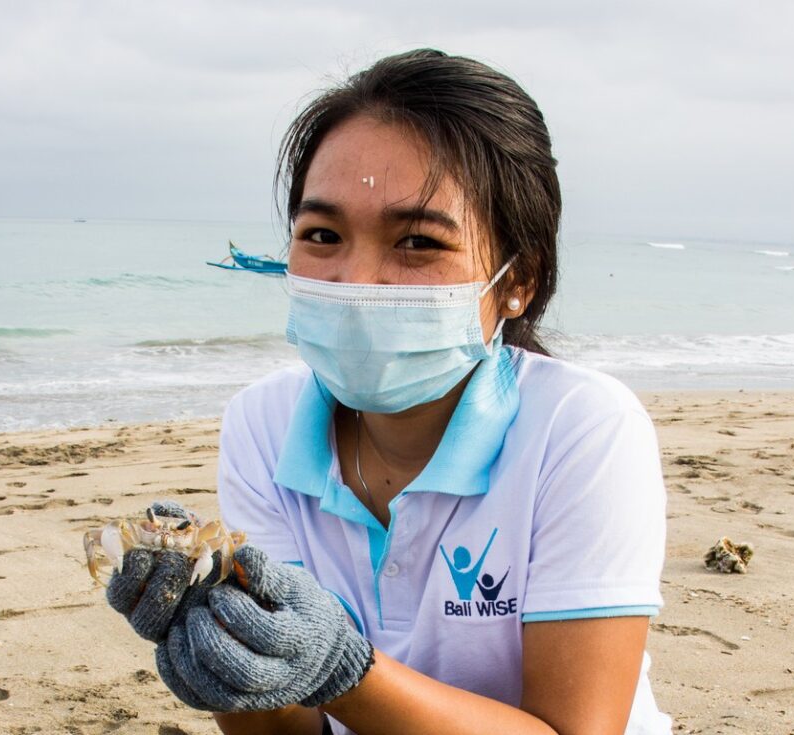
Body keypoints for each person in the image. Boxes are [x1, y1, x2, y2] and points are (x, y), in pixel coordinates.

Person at [105, 49, 672, 734]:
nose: (357, 280)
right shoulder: (262, 424)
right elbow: (292, 727)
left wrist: (345, 670)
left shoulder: (580, 429)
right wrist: (226, 659)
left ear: (518, 280)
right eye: (322, 234)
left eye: (417, 242)